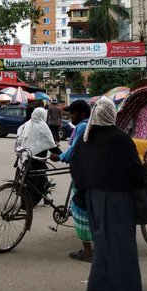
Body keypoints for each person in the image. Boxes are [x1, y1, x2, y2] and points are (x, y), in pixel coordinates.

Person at [71, 96, 146, 291]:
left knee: (104, 246)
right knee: (122, 249)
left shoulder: (87, 138)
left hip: (93, 199)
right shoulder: (120, 138)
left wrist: (88, 189)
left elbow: (76, 167)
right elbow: (136, 172)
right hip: (117, 200)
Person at [51, 100, 93, 262]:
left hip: (83, 174)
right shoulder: (85, 125)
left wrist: (60, 157)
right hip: (84, 172)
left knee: (80, 211)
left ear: (82, 114)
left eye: (73, 114)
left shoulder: (82, 126)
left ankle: (88, 251)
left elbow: (74, 150)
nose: (70, 117)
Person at [15, 107, 59, 206]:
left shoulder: (27, 124)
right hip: (37, 161)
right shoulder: (43, 126)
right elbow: (51, 145)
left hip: (25, 158)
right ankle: (29, 204)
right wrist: (63, 156)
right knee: (36, 183)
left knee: (32, 181)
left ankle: (43, 200)